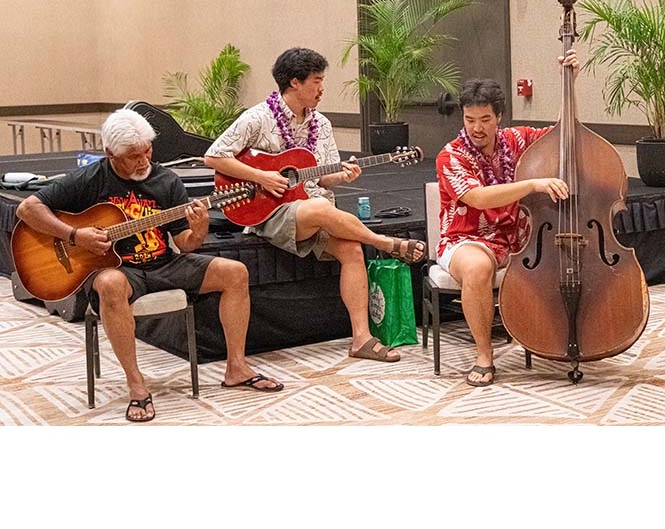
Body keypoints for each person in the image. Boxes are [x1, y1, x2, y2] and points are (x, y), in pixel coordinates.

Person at [15, 109, 283, 423]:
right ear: (111, 154)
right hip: (118, 271)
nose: (144, 161)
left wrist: (198, 231)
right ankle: (136, 384)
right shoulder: (90, 179)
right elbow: (27, 208)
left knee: (235, 272)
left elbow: (184, 243)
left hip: (164, 264)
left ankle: (236, 367)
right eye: (134, 156)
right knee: (110, 284)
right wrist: (74, 235)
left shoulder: (166, 180)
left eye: (148, 151)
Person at [204, 47, 425, 364]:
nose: (322, 88)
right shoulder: (258, 118)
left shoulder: (320, 124)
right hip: (268, 211)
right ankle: (386, 243)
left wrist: (343, 175)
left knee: (351, 248)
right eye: (316, 81)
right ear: (294, 82)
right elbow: (213, 156)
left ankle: (361, 338)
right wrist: (262, 176)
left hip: (310, 209)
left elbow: (323, 178)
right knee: (321, 210)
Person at [435, 51, 577, 387]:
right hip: (466, 240)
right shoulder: (450, 155)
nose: (477, 128)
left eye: (485, 119)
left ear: (499, 116)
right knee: (476, 268)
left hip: (518, 239)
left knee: (570, 250)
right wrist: (532, 184)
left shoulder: (515, 139)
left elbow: (561, 136)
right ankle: (484, 355)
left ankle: (562, 340)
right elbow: (477, 198)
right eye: (470, 119)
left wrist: (569, 81)